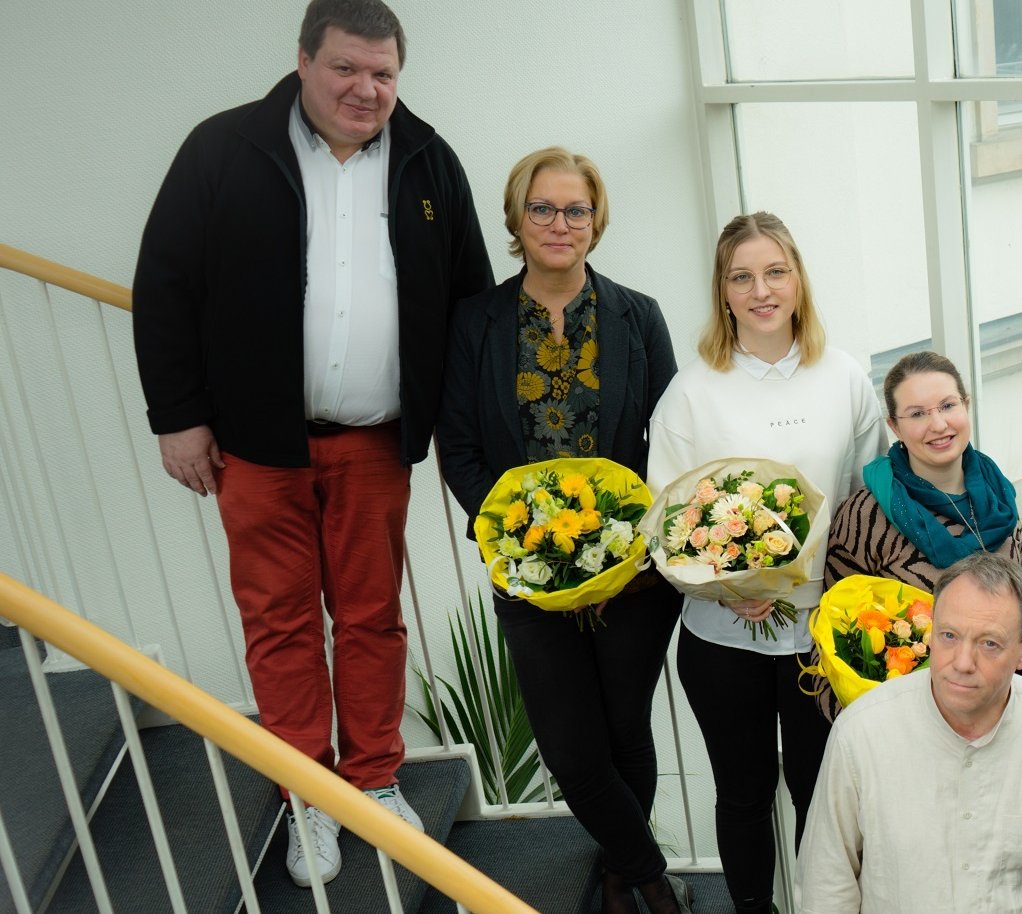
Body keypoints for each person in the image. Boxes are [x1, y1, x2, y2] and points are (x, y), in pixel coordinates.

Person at [130, 0, 492, 888]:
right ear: (303, 62)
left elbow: (468, 302)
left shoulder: (428, 161)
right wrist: (177, 415)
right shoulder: (223, 149)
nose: (366, 89)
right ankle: (307, 794)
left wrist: (462, 431)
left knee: (371, 616)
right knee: (280, 620)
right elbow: (165, 284)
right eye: (346, 69)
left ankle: (373, 778)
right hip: (256, 448)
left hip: (374, 443)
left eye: (383, 73)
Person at [437, 148, 687, 914]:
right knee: (572, 752)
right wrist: (522, 545)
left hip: (632, 576)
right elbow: (460, 448)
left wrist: (627, 553)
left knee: (624, 732)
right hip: (527, 574)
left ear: (595, 220)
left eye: (576, 209)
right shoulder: (476, 322)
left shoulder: (638, 316)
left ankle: (617, 877)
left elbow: (670, 444)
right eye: (542, 208)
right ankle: (650, 878)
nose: (559, 223)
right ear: (517, 220)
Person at [647, 211, 887, 914]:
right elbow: (664, 516)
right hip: (723, 638)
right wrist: (722, 585)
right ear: (723, 292)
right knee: (744, 794)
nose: (761, 290)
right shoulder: (692, 391)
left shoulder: (844, 377)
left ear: (798, 281)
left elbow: (867, 499)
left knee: (823, 795)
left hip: (821, 635)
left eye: (775, 272)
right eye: (742, 276)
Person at [800, 553, 1022, 913]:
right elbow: (827, 884)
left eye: (989, 643)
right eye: (949, 636)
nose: (963, 663)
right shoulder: (862, 733)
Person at [823, 351, 1022, 593]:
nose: (939, 425)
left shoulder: (998, 492)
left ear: (966, 405)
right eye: (917, 414)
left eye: (948, 406)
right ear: (895, 427)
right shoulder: (865, 515)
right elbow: (836, 611)